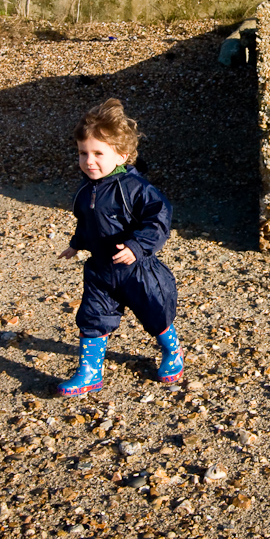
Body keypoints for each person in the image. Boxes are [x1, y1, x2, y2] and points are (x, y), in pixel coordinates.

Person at [57, 98, 183, 396]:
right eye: (83, 153)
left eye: (98, 153)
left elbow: (159, 219)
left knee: (155, 313)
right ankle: (89, 373)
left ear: (122, 155)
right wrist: (76, 244)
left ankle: (172, 353)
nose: (89, 161)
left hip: (136, 269)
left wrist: (137, 246)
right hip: (101, 269)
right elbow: (87, 221)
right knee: (92, 316)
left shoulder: (136, 188)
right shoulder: (87, 188)